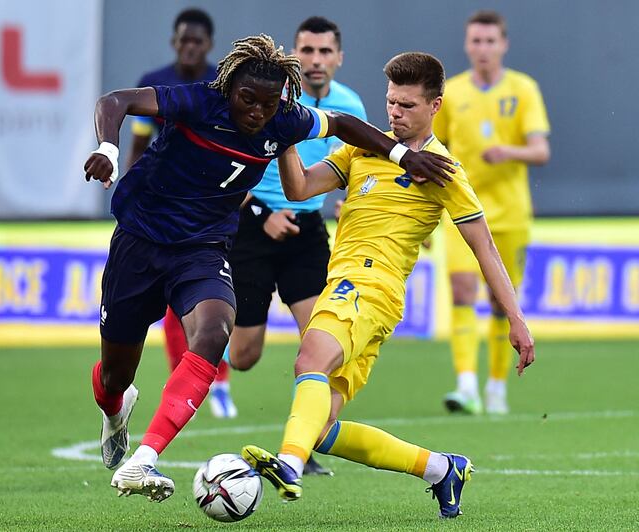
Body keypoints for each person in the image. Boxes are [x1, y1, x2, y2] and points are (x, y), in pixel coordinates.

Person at [83, 35, 453, 503]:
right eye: (248, 100)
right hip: (140, 242)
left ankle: (145, 459)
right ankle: (115, 412)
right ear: (228, 89)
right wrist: (109, 150)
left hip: (203, 247)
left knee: (216, 331)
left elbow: (340, 123)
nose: (258, 112)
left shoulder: (284, 118)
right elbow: (114, 101)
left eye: (269, 103)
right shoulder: (199, 100)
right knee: (115, 376)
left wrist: (401, 154)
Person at [242, 52, 535, 519]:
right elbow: (299, 190)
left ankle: (291, 466)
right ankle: (441, 469)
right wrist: (285, 140)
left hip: (371, 285)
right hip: (353, 287)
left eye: (407, 106)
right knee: (319, 426)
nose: (394, 114)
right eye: (391, 103)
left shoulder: (442, 170)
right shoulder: (363, 147)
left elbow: (485, 249)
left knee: (309, 358)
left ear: (435, 106)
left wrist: (516, 319)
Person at [226, 16, 366, 476]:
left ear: (339, 57)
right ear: (294, 55)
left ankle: (298, 447)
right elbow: (233, 167)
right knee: (245, 357)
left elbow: (356, 170)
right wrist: (265, 216)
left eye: (326, 52)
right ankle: (202, 341)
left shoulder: (350, 107)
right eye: (307, 51)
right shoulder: (271, 100)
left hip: (307, 232)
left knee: (319, 342)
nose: (316, 60)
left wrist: (351, 206)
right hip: (252, 225)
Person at [433, 10, 550, 415]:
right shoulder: (452, 93)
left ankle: (497, 385)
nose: (482, 48)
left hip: (511, 214)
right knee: (463, 290)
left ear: (503, 44)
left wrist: (507, 152)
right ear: (467, 45)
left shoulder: (523, 89)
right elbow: (435, 149)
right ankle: (466, 384)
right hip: (462, 211)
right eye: (476, 41)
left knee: (503, 304)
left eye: (489, 41)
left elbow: (541, 150)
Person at [123, 8, 236, 419]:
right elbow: (138, 145)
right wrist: (131, 195)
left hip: (211, 211)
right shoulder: (153, 85)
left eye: (197, 41)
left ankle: (218, 381)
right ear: (174, 41)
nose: (189, 46)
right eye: (182, 40)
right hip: (161, 212)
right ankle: (184, 385)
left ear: (208, 45)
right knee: (172, 306)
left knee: (212, 301)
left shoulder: (223, 86)